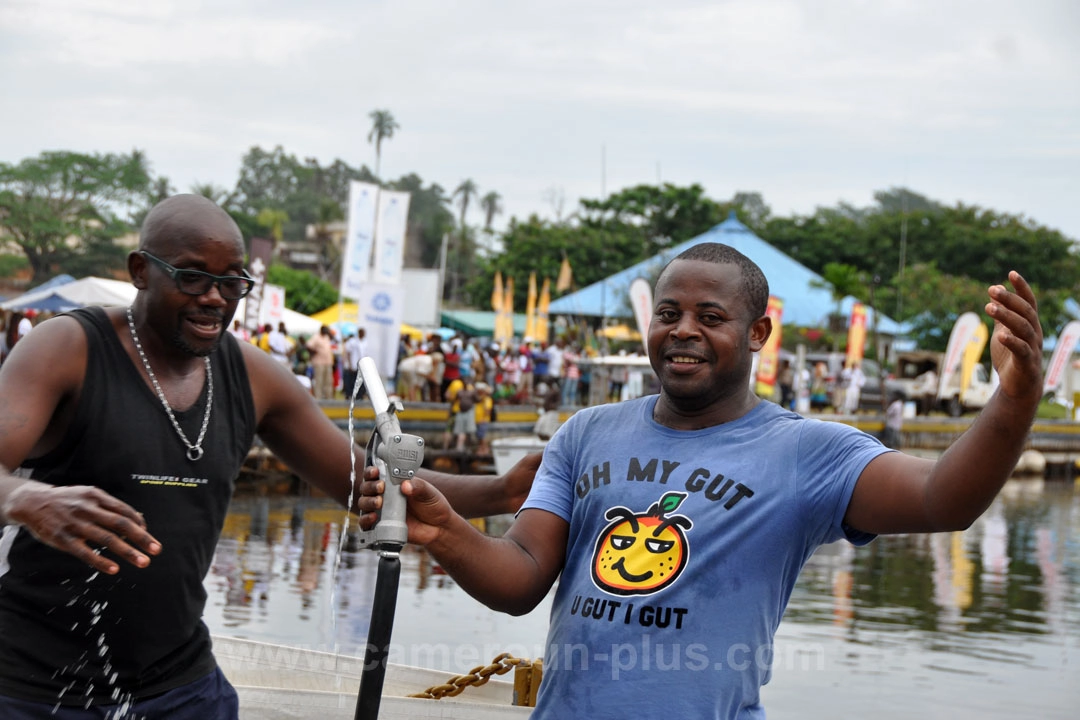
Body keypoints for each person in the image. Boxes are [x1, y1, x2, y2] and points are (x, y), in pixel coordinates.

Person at [368, 242, 1043, 719]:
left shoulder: (805, 451)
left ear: (758, 333)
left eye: (710, 318)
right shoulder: (585, 432)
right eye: (668, 314)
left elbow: (942, 499)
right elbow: (518, 579)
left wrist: (1014, 401)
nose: (683, 331)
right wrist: (447, 533)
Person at [0, 194, 538, 719]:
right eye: (192, 276)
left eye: (233, 282)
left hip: (180, 687)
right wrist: (28, 497)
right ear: (141, 270)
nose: (215, 297)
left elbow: (365, 483)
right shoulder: (67, 348)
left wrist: (503, 491)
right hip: (32, 685)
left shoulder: (253, 376)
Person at [306, 324, 335, 400]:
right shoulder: (316, 337)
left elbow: (334, 339)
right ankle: (318, 398)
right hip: (319, 362)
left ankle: (329, 397)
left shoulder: (327, 337)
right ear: (322, 330)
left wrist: (329, 333)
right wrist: (315, 352)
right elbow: (308, 346)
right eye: (325, 330)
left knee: (329, 381)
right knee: (319, 381)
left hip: (328, 362)